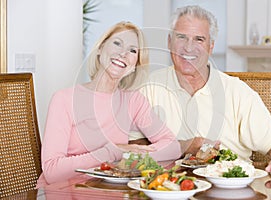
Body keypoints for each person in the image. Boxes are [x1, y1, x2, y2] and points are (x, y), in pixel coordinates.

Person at [130, 5, 271, 177]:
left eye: (199, 39)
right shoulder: (148, 87)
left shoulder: (238, 92)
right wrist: (183, 146)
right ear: (169, 42)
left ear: (211, 46)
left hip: (230, 188)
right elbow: (133, 146)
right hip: (167, 186)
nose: (189, 48)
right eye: (181, 37)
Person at [37, 21, 181, 186]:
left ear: (135, 65)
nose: (123, 53)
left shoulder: (133, 100)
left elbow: (173, 147)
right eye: (117, 43)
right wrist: (113, 151)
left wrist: (129, 155)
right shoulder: (64, 99)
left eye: (132, 50)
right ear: (100, 49)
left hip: (108, 190)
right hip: (62, 192)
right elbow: (52, 172)